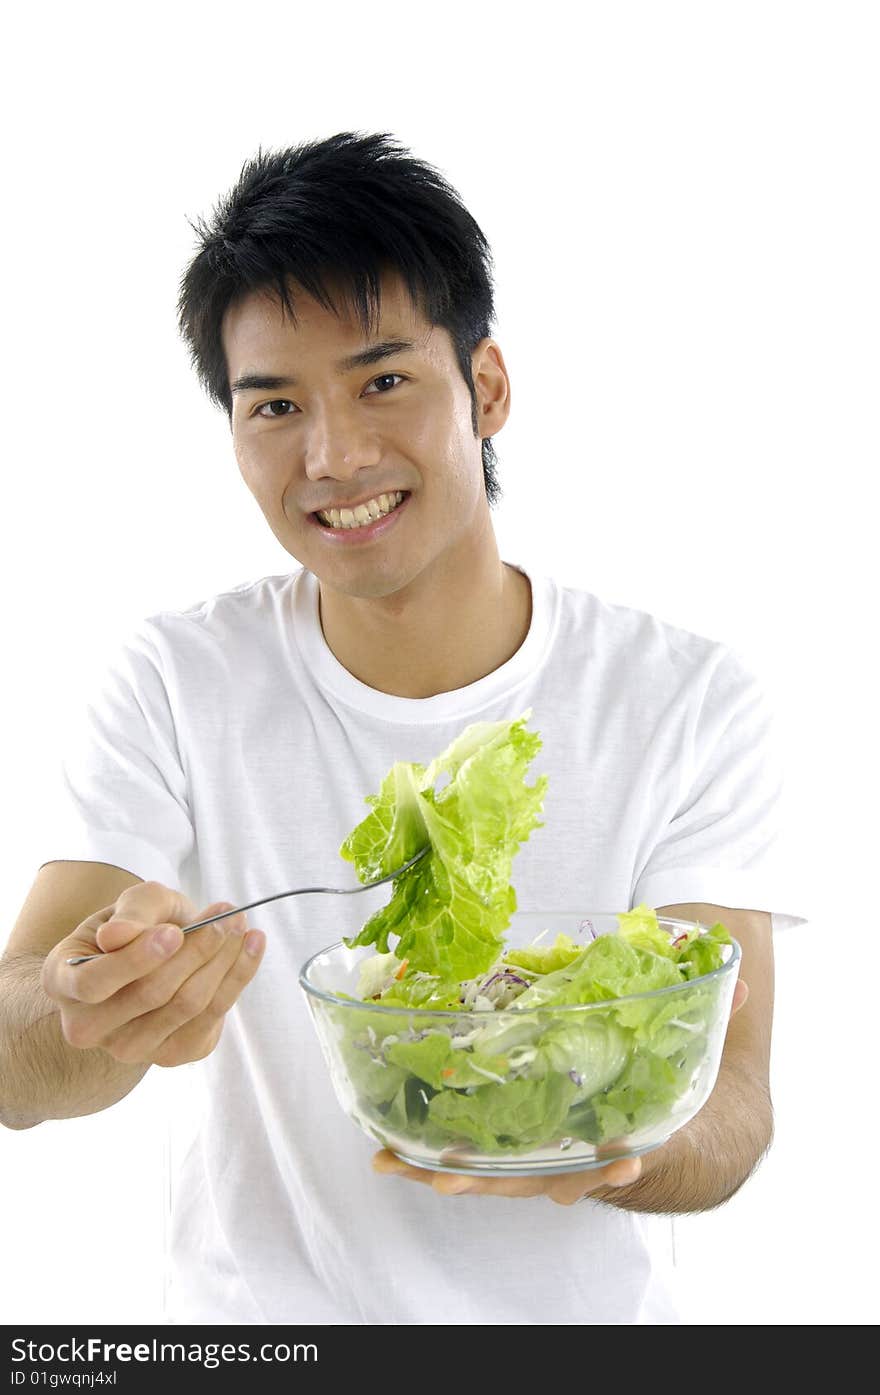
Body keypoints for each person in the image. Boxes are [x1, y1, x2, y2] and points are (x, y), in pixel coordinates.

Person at [0, 130, 806, 1325]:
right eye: (274, 404)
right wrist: (93, 1002)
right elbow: (19, 1063)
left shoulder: (684, 699)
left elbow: (732, 1104)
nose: (332, 458)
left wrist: (615, 1140)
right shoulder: (175, 681)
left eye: (382, 381)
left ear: (485, 387)